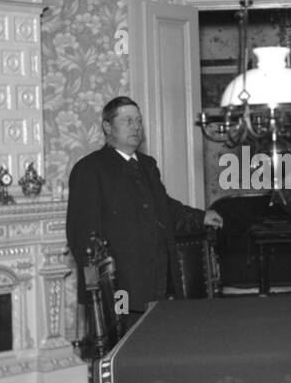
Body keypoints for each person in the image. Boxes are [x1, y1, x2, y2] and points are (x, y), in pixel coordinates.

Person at [66, 96, 223, 317]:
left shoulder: (147, 165)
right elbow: (82, 237)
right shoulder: (90, 169)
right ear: (107, 127)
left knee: (159, 345)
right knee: (122, 345)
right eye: (127, 121)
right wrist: (98, 291)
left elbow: (164, 208)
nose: (136, 127)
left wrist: (201, 216)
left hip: (158, 284)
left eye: (139, 121)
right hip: (119, 290)